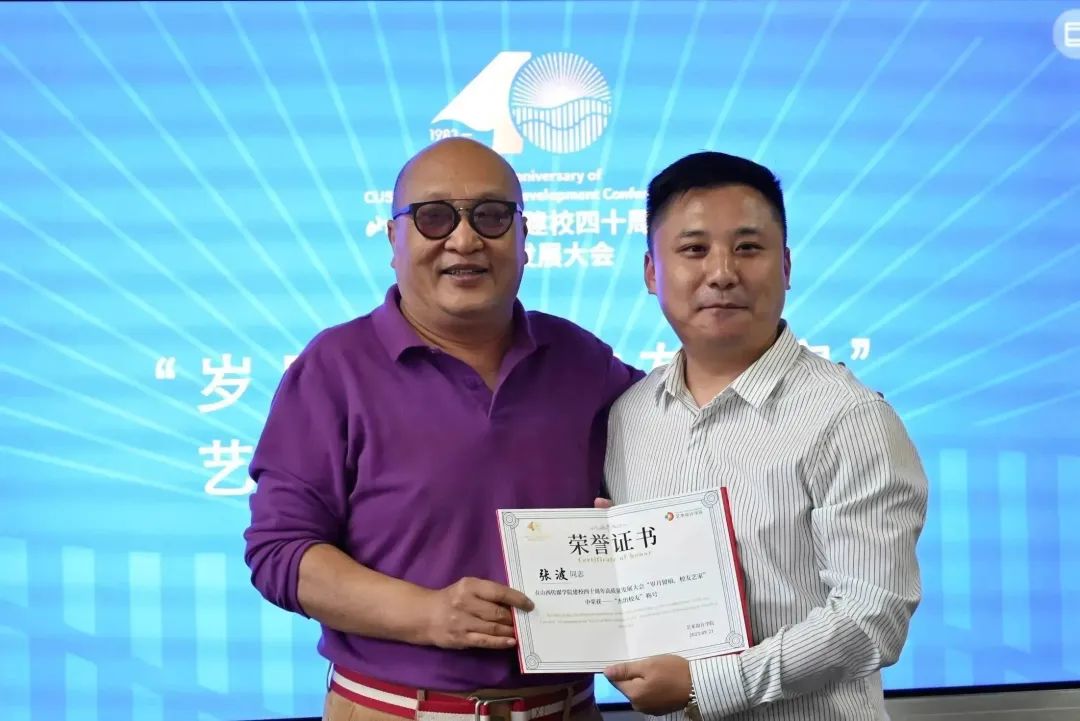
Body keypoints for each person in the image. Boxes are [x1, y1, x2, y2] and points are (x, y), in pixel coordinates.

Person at [243, 137, 641, 721]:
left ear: (523, 238)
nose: (464, 240)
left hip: (568, 709)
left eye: (491, 216)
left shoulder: (583, 361)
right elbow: (280, 552)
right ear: (393, 240)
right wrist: (428, 614)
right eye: (434, 217)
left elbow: (681, 456)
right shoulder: (334, 368)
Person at [600, 151, 929, 721]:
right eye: (693, 249)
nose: (722, 273)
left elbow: (871, 617)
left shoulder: (848, 418)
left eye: (748, 248)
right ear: (652, 272)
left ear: (787, 265)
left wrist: (706, 685)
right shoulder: (631, 416)